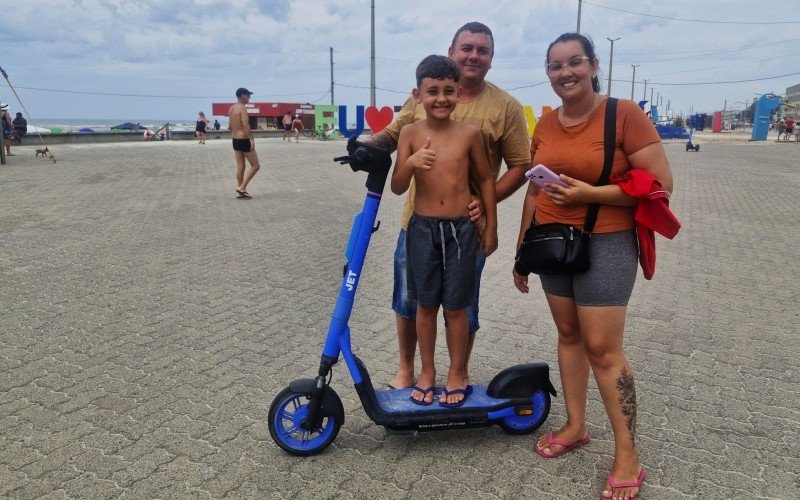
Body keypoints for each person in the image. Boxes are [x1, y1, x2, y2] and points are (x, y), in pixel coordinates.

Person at [512, 33, 673, 500]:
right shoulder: (544, 123)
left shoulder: (624, 114)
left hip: (606, 242)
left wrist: (589, 194)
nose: (565, 73)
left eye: (574, 62)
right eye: (555, 66)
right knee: (568, 335)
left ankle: (628, 453)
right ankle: (577, 425)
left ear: (594, 64)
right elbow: (533, 189)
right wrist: (523, 249)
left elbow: (661, 184)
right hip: (553, 245)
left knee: (603, 348)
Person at [364, 22, 531, 390]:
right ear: (452, 50)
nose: (474, 55)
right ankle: (410, 368)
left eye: (482, 50)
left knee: (461, 303)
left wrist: (487, 209)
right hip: (417, 224)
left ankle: (460, 371)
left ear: (491, 58)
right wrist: (366, 146)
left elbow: (520, 164)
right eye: (467, 47)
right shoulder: (421, 99)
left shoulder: (506, 107)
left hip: (466, 226)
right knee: (410, 299)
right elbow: (393, 135)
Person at [390, 55, 497, 406]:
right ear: (417, 94)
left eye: (448, 91)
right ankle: (427, 372)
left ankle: (456, 372)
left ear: (459, 93)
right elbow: (397, 187)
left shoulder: (469, 134)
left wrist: (490, 227)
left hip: (461, 231)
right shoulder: (409, 133)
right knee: (425, 305)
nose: (441, 98)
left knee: (456, 307)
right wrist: (409, 162)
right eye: (432, 91)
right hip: (421, 231)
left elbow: (484, 179)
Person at [228, 88, 261, 199]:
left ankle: (240, 191)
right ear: (242, 95)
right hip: (244, 139)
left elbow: (229, 127)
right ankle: (242, 187)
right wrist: (251, 139)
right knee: (256, 166)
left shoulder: (232, 108)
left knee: (241, 166)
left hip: (235, 140)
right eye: (248, 95)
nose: (249, 98)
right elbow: (246, 125)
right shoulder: (242, 108)